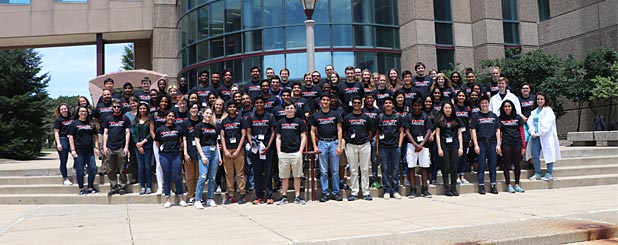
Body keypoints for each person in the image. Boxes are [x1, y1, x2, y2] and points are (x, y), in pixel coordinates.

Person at [310, 94, 344, 202]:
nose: (325, 101)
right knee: (323, 171)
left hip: (334, 143)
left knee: (335, 171)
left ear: (330, 102)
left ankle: (336, 192)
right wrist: (315, 146)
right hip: (322, 143)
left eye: (327, 100)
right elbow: (312, 131)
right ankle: (325, 193)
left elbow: (339, 130)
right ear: (320, 102)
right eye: (323, 100)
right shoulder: (316, 116)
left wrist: (339, 146)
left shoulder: (335, 114)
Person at [275, 102, 308, 205]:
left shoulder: (300, 122)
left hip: (296, 152)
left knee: (297, 176)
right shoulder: (280, 122)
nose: (289, 109)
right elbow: (278, 138)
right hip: (284, 153)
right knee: (284, 177)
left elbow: (303, 137)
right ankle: (284, 196)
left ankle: (297, 196)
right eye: (287, 108)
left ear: (295, 110)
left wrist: (300, 151)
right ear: (284, 110)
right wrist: (279, 152)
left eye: (291, 108)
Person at [343, 96, 374, 201]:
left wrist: (366, 140)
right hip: (351, 145)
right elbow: (345, 131)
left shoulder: (366, 117)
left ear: (361, 104)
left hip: (365, 145)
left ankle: (366, 192)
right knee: (353, 170)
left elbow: (370, 131)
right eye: (355, 103)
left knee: (365, 169)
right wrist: (349, 140)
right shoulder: (347, 117)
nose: (356, 104)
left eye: (358, 103)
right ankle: (354, 192)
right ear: (352, 104)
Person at [247, 97, 277, 205]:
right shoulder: (251, 116)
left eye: (261, 102)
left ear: (264, 104)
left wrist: (268, 146)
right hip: (255, 149)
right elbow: (248, 132)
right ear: (254, 104)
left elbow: (273, 132)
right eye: (257, 102)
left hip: (267, 149)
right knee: (257, 173)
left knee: (268, 173)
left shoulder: (270, 116)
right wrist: (252, 144)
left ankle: (269, 196)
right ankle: (259, 196)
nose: (259, 104)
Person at [155, 110, 187, 208]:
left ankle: (181, 199)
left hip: (175, 155)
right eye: (169, 116)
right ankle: (167, 199)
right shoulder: (160, 129)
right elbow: (157, 142)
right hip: (164, 155)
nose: (171, 118)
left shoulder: (178, 128)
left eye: (173, 116)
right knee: (166, 177)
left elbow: (180, 141)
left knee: (177, 176)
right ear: (166, 117)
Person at [471, 95, 501, 195]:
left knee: (492, 165)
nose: (484, 105)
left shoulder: (493, 115)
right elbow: (473, 131)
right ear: (480, 104)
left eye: (486, 103)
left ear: (488, 104)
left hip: (492, 143)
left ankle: (493, 185)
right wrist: (475, 145)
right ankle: (481, 185)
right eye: (482, 103)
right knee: (481, 165)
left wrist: (498, 144)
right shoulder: (476, 116)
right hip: (481, 143)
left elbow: (498, 130)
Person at [526, 92, 561, 181]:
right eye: (538, 99)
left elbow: (547, 124)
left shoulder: (548, 110)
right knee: (534, 154)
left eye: (541, 99)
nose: (539, 101)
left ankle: (549, 173)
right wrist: (532, 132)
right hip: (534, 136)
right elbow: (530, 122)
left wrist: (539, 133)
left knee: (549, 153)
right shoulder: (534, 111)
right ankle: (537, 173)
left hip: (546, 136)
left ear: (545, 100)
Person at [376, 96, 405, 200]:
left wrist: (400, 145)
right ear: (384, 105)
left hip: (395, 147)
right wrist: (377, 148)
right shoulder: (380, 117)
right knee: (385, 169)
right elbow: (377, 133)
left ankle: (395, 190)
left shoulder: (397, 116)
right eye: (386, 103)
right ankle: (387, 190)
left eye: (390, 103)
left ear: (393, 105)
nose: (388, 104)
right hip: (383, 147)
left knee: (396, 169)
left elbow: (402, 132)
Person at [67, 106, 100, 195]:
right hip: (79, 151)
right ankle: (81, 188)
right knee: (80, 170)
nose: (83, 113)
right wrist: (73, 150)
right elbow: (70, 137)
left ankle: (90, 187)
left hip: (89, 151)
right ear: (78, 113)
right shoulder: (74, 124)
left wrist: (96, 147)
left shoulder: (91, 123)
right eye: (81, 111)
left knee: (93, 169)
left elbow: (96, 136)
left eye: (85, 111)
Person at [220, 101, 248, 204]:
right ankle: (231, 195)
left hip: (238, 150)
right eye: (230, 107)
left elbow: (243, 135)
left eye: (233, 107)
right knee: (229, 174)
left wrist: (238, 150)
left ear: (236, 109)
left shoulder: (241, 119)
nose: (232, 108)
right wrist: (225, 150)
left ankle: (242, 195)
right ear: (227, 109)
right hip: (227, 150)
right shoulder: (224, 121)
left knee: (240, 173)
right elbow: (222, 136)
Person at [193, 107, 222, 209]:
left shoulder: (214, 127)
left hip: (214, 152)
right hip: (204, 151)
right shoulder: (199, 126)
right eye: (207, 113)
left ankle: (210, 198)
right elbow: (197, 141)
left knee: (212, 177)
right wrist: (202, 155)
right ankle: (197, 199)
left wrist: (219, 156)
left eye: (210, 114)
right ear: (203, 114)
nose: (209, 115)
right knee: (203, 176)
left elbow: (217, 142)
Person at [404, 98, 433, 198]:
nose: (417, 107)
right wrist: (415, 144)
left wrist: (421, 144)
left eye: (419, 106)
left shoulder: (425, 116)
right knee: (411, 167)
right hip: (411, 145)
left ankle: (424, 189)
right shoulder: (409, 116)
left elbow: (429, 131)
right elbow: (407, 131)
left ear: (422, 106)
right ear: (412, 106)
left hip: (423, 146)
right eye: (415, 106)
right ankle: (413, 190)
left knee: (424, 167)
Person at [103, 99, 131, 196]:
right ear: (112, 107)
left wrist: (126, 147)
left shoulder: (124, 118)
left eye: (118, 107)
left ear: (121, 107)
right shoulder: (108, 118)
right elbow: (105, 133)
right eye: (114, 106)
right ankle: (113, 187)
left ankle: (122, 187)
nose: (116, 108)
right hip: (110, 147)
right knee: (110, 169)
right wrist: (104, 146)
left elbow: (127, 133)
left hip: (121, 147)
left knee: (122, 168)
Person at [435, 102, 464, 196]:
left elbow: (459, 134)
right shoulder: (439, 119)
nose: (448, 109)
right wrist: (439, 148)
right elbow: (438, 135)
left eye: (449, 108)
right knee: (446, 167)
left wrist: (461, 147)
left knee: (454, 167)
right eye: (446, 108)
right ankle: (447, 188)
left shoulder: (456, 119)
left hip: (454, 145)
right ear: (443, 109)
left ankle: (454, 187)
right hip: (444, 145)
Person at [498, 100, 526, 193]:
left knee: (517, 164)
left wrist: (523, 145)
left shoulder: (517, 118)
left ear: (512, 107)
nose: (507, 108)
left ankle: (517, 184)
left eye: (509, 106)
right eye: (505, 106)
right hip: (506, 143)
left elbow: (521, 131)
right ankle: (509, 184)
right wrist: (499, 145)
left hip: (517, 143)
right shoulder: (500, 118)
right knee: (507, 164)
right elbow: (499, 132)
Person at [149, 94, 173, 195]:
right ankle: (160, 187)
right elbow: (151, 130)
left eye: (165, 102)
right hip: (157, 143)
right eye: (162, 101)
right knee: (159, 165)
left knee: (169, 165)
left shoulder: (171, 113)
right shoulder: (154, 114)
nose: (164, 103)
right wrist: (157, 141)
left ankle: (168, 187)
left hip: (170, 142)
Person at [131, 102, 153, 195]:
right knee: (140, 167)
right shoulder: (135, 121)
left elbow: (150, 133)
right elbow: (133, 133)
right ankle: (142, 186)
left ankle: (149, 186)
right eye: (140, 109)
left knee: (147, 167)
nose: (142, 110)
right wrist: (138, 144)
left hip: (147, 146)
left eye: (144, 108)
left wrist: (143, 142)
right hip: (137, 147)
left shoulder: (149, 120)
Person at [182, 103, 201, 204]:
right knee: (190, 176)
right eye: (192, 108)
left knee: (199, 176)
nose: (194, 110)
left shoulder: (201, 121)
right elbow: (184, 138)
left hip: (200, 152)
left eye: (196, 108)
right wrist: (185, 152)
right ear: (189, 110)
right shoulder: (185, 123)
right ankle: (191, 196)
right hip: (189, 151)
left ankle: (198, 196)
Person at [453, 91, 472, 184]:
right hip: (455, 134)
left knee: (464, 156)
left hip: (465, 135)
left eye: (463, 95)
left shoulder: (467, 108)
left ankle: (462, 176)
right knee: (457, 156)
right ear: (456, 97)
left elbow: (470, 122)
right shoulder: (454, 108)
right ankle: (456, 175)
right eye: (459, 95)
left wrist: (471, 137)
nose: (461, 97)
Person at [53, 103, 74, 186]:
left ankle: (78, 171)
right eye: (62, 109)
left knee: (77, 156)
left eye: (65, 109)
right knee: (63, 160)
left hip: (71, 139)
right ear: (60, 111)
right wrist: (58, 143)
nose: (64, 110)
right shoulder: (58, 120)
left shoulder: (72, 118)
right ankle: (65, 178)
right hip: (62, 139)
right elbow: (56, 132)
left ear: (68, 109)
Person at [124, 97, 139, 184]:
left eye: (134, 103)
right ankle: (134, 176)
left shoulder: (141, 113)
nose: (133, 104)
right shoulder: (126, 115)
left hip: (141, 139)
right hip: (131, 140)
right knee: (133, 159)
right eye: (131, 103)